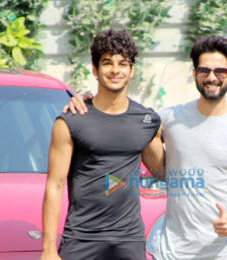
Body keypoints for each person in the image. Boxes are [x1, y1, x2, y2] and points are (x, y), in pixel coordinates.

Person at [65, 35, 227, 260]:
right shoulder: (171, 118)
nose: (211, 78)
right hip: (171, 251)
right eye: (204, 71)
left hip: (222, 253)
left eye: (220, 72)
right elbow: (124, 116)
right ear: (194, 74)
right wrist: (85, 100)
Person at [40, 28, 165, 260]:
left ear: (131, 70)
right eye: (107, 63)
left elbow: (162, 171)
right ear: (95, 69)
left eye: (123, 63)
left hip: (129, 239)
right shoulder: (71, 120)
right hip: (82, 238)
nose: (115, 70)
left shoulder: (147, 121)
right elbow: (54, 186)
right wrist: (48, 250)